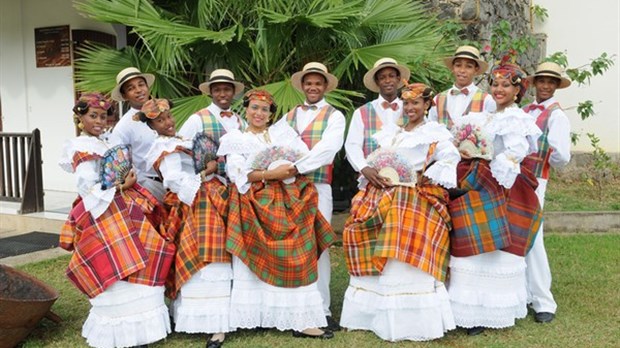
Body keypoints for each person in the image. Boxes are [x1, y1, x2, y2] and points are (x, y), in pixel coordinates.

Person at [340, 82, 459, 341]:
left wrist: (431, 173)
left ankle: (410, 319)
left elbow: (451, 156)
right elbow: (381, 159)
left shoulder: (434, 133)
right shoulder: (392, 132)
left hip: (412, 195)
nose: (410, 108)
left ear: (427, 105)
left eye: (416, 103)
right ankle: (371, 313)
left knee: (401, 243)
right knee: (362, 234)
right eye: (406, 103)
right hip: (382, 191)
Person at [58, 93, 175, 348]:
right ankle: (123, 328)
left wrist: (126, 182)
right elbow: (88, 187)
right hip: (102, 210)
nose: (99, 121)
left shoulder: (105, 141)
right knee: (119, 262)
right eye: (93, 116)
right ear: (80, 118)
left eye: (103, 116)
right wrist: (123, 185)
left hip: (127, 202)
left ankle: (142, 328)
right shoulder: (80, 147)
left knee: (149, 253)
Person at [218, 89, 336, 339]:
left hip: (289, 197)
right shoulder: (235, 138)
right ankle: (257, 315)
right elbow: (238, 174)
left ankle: (301, 320)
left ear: (271, 115)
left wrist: (287, 171)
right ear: (246, 110)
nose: (259, 113)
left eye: (264, 109)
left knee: (299, 252)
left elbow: (301, 157)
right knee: (254, 253)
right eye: (254, 108)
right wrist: (271, 175)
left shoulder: (284, 133)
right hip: (254, 200)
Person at [446, 57, 543, 336]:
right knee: (469, 240)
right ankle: (467, 309)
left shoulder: (517, 119)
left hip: (502, 185)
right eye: (495, 84)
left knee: (495, 246)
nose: (499, 89)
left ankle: (490, 310)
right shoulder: (481, 116)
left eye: (505, 85)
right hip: (477, 182)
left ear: (517, 91)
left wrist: (494, 162)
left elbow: (515, 153)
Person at [137, 99, 232, 348]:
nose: (167, 123)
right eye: (160, 120)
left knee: (213, 251)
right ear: (152, 126)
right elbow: (174, 180)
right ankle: (210, 323)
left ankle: (217, 322)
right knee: (203, 253)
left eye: (168, 117)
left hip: (204, 197)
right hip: (192, 202)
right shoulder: (164, 148)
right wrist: (203, 176)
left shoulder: (177, 140)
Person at [174, 69, 246, 347]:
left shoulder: (239, 120)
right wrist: (199, 176)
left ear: (233, 92)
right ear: (210, 92)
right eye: (218, 89)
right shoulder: (197, 119)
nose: (223, 94)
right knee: (209, 251)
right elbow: (181, 152)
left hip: (234, 193)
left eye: (227, 89)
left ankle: (231, 315)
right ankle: (208, 320)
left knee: (231, 251)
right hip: (206, 193)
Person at [274, 62, 346, 330]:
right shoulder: (289, 115)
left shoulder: (335, 116)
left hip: (318, 187)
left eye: (318, 83)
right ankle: (296, 307)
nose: (313, 87)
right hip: (289, 188)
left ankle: (322, 309)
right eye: (308, 83)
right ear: (302, 86)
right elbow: (275, 142)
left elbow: (328, 150)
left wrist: (296, 167)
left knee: (320, 244)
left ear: (325, 86)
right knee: (293, 243)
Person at [521, 61, 572, 323]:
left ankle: (544, 300)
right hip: (516, 178)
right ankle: (524, 293)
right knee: (518, 232)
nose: (545, 86)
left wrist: (542, 156)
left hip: (536, 179)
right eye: (541, 81)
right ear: (535, 83)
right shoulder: (525, 110)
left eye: (551, 82)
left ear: (556, 86)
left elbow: (562, 156)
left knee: (535, 236)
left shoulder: (556, 115)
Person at [345, 57, 411, 189]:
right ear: (377, 82)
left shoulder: (411, 109)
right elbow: (352, 144)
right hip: (372, 180)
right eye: (382, 77)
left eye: (391, 76)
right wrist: (364, 168)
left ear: (399, 79)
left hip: (405, 181)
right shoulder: (362, 112)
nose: (387, 81)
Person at [111, 67, 166, 201]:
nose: (138, 90)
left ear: (147, 87)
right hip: (149, 185)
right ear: (124, 96)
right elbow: (120, 163)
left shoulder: (164, 113)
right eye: (131, 88)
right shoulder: (123, 127)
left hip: (175, 181)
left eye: (141, 85)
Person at [428, 45, 496, 127]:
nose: (462, 70)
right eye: (458, 65)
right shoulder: (438, 99)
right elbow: (430, 129)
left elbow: (489, 132)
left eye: (469, 66)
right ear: (453, 68)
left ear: (476, 70)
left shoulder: (487, 100)